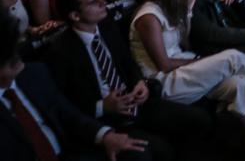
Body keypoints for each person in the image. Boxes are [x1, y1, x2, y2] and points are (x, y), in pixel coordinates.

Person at [129, 0, 245, 161]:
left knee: (239, 84)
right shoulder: (149, 17)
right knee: (233, 57)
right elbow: (164, 64)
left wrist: (188, 11)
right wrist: (200, 61)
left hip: (183, 68)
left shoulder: (171, 7)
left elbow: (184, 43)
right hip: (164, 81)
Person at [51, 0, 214, 161]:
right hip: (106, 119)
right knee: (154, 152)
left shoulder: (106, 25)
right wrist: (103, 106)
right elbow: (64, 104)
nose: (103, 2)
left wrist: (139, 82)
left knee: (199, 118)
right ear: (75, 15)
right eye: (93, 2)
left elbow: (127, 61)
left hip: (137, 102)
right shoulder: (61, 52)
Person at [0, 9, 150, 161]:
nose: (18, 60)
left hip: (73, 152)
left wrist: (106, 136)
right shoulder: (61, 52)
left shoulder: (33, 74)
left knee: (139, 152)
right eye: (9, 58)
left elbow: (68, 115)